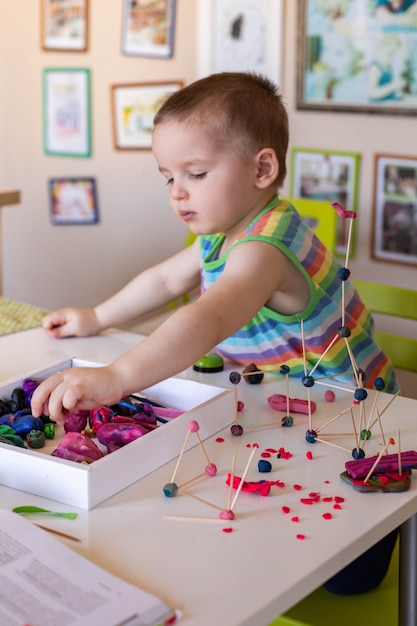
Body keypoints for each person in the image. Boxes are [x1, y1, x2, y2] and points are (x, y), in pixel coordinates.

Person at [31, 72, 398, 594]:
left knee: (350, 577)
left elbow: (210, 316)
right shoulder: (221, 232)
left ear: (262, 169)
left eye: (196, 173)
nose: (178, 192)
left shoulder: (267, 246)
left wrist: (117, 376)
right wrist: (96, 317)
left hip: (357, 421)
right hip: (284, 412)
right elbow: (164, 279)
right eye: (167, 177)